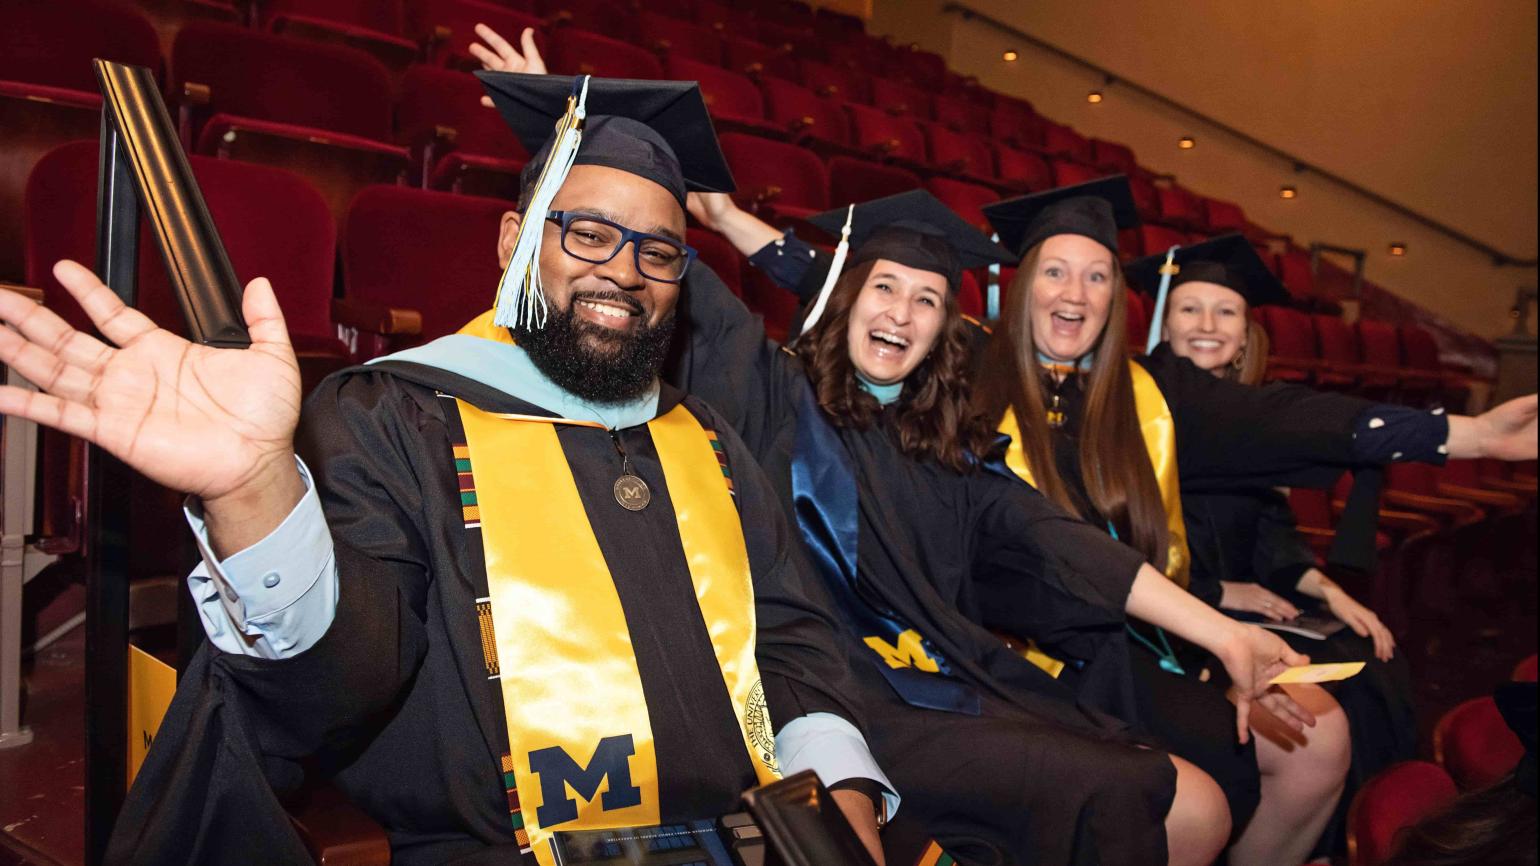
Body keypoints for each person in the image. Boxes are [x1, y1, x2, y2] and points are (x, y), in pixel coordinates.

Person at [0, 74, 896, 866]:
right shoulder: (397, 416)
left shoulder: (705, 438)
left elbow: (790, 636)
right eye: (586, 234)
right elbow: (341, 682)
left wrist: (842, 797)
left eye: (657, 251)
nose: (624, 271)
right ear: (512, 242)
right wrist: (253, 492)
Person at [676, 183, 1327, 866]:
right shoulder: (771, 394)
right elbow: (667, 273)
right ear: (844, 297)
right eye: (885, 288)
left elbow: (1062, 542)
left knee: (1196, 807)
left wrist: (1226, 636)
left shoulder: (951, 453)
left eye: (926, 299)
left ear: (941, 331)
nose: (902, 312)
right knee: (1145, 795)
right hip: (823, 688)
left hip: (940, 679)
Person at [973, 176, 1539, 866]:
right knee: (1197, 799)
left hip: (1130, 643)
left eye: (1097, 276)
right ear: (1022, 281)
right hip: (1009, 654)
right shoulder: (970, 376)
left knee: (1319, 741)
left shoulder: (1146, 392)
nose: (1075, 293)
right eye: (1056, 272)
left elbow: (1284, 419)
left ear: (1116, 300)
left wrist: (1465, 436)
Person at [1126, 233, 1419, 854]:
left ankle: (1320, 842)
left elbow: (1271, 531)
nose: (1208, 324)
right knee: (1325, 712)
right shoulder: (1128, 415)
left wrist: (1329, 590)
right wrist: (1221, 590)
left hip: (1241, 602)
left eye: (1226, 311)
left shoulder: (1258, 421)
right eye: (1189, 308)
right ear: (1161, 323)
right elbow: (1113, 548)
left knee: (1368, 667)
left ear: (1245, 333)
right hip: (1164, 619)